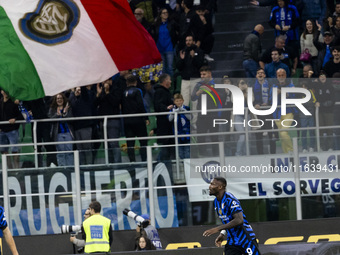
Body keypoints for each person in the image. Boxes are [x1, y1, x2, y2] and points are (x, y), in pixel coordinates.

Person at [202, 177, 260, 255]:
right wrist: (222, 234)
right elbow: (228, 220)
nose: (209, 186)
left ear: (220, 187)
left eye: (212, 184)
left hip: (245, 240)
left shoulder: (230, 199)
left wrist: (217, 229)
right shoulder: (216, 202)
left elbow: (239, 220)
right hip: (232, 242)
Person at [122, 74, 149, 162]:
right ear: (136, 82)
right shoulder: (137, 91)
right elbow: (141, 105)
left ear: (126, 83)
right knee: (143, 141)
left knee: (130, 143)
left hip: (127, 121)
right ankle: (144, 161)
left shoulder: (123, 92)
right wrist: (146, 117)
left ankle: (132, 162)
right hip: (138, 120)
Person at [270, 68, 297, 153]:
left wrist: (285, 93)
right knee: (282, 135)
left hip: (288, 112)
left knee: (283, 132)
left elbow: (294, 96)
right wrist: (276, 94)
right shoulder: (274, 86)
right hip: (277, 114)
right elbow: (270, 99)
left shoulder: (291, 85)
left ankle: (292, 151)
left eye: (282, 75)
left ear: (285, 76)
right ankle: (286, 154)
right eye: (279, 75)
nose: (281, 77)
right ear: (277, 77)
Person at [69, 86, 95, 165]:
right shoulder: (73, 100)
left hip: (85, 126)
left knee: (87, 148)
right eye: (77, 90)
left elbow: (84, 91)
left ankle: (89, 166)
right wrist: (72, 92)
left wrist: (81, 84)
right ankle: (82, 167)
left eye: (80, 90)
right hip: (76, 127)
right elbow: (70, 100)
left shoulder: (85, 98)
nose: (78, 91)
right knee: (79, 149)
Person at [176, 34, 205, 106]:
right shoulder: (182, 52)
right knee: (184, 102)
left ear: (194, 41)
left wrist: (193, 57)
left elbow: (200, 65)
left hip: (195, 79)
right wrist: (182, 60)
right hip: (185, 80)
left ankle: (195, 118)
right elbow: (179, 67)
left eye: (189, 40)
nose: (188, 42)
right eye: (186, 40)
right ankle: (185, 117)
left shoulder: (199, 51)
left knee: (195, 102)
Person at [48, 93, 74, 166]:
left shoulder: (68, 108)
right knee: (61, 152)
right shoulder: (52, 109)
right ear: (55, 100)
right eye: (58, 98)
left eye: (61, 98)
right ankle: (62, 169)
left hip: (68, 132)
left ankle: (70, 168)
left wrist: (64, 113)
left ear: (63, 99)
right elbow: (50, 119)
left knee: (69, 152)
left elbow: (71, 119)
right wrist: (57, 115)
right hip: (58, 134)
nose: (59, 100)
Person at [154, 73, 175, 161]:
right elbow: (158, 105)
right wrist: (166, 108)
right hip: (164, 123)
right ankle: (160, 162)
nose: (171, 81)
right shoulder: (160, 91)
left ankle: (165, 161)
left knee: (169, 144)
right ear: (165, 81)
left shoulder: (165, 91)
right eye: (169, 79)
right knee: (165, 145)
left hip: (168, 124)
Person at [152, 8, 178, 77]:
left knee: (169, 68)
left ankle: (171, 85)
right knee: (162, 69)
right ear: (160, 15)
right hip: (159, 49)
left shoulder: (172, 23)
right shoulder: (156, 25)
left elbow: (178, 31)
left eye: (166, 12)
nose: (166, 14)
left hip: (169, 48)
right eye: (163, 13)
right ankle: (163, 84)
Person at [0, 90, 22, 169]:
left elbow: (21, 116)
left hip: (12, 130)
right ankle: (9, 169)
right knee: (4, 151)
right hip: (2, 131)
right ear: (1, 92)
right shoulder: (0, 102)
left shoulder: (14, 103)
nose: (5, 92)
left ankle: (16, 169)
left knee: (14, 150)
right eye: (4, 91)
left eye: (6, 91)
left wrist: (15, 119)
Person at [314, 70, 335, 151]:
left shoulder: (330, 86)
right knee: (320, 130)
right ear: (318, 78)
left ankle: (330, 147)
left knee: (329, 129)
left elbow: (332, 100)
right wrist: (315, 102)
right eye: (320, 76)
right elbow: (313, 97)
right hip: (319, 112)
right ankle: (321, 147)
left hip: (329, 111)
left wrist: (322, 104)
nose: (322, 77)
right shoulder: (316, 86)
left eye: (324, 75)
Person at [168, 93, 191, 159]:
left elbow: (190, 118)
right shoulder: (173, 109)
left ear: (183, 100)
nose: (179, 102)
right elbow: (170, 119)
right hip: (177, 134)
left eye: (180, 100)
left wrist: (184, 111)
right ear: (174, 102)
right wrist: (173, 113)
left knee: (187, 151)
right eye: (177, 101)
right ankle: (182, 166)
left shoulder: (186, 108)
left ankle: (187, 167)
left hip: (186, 133)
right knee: (180, 152)